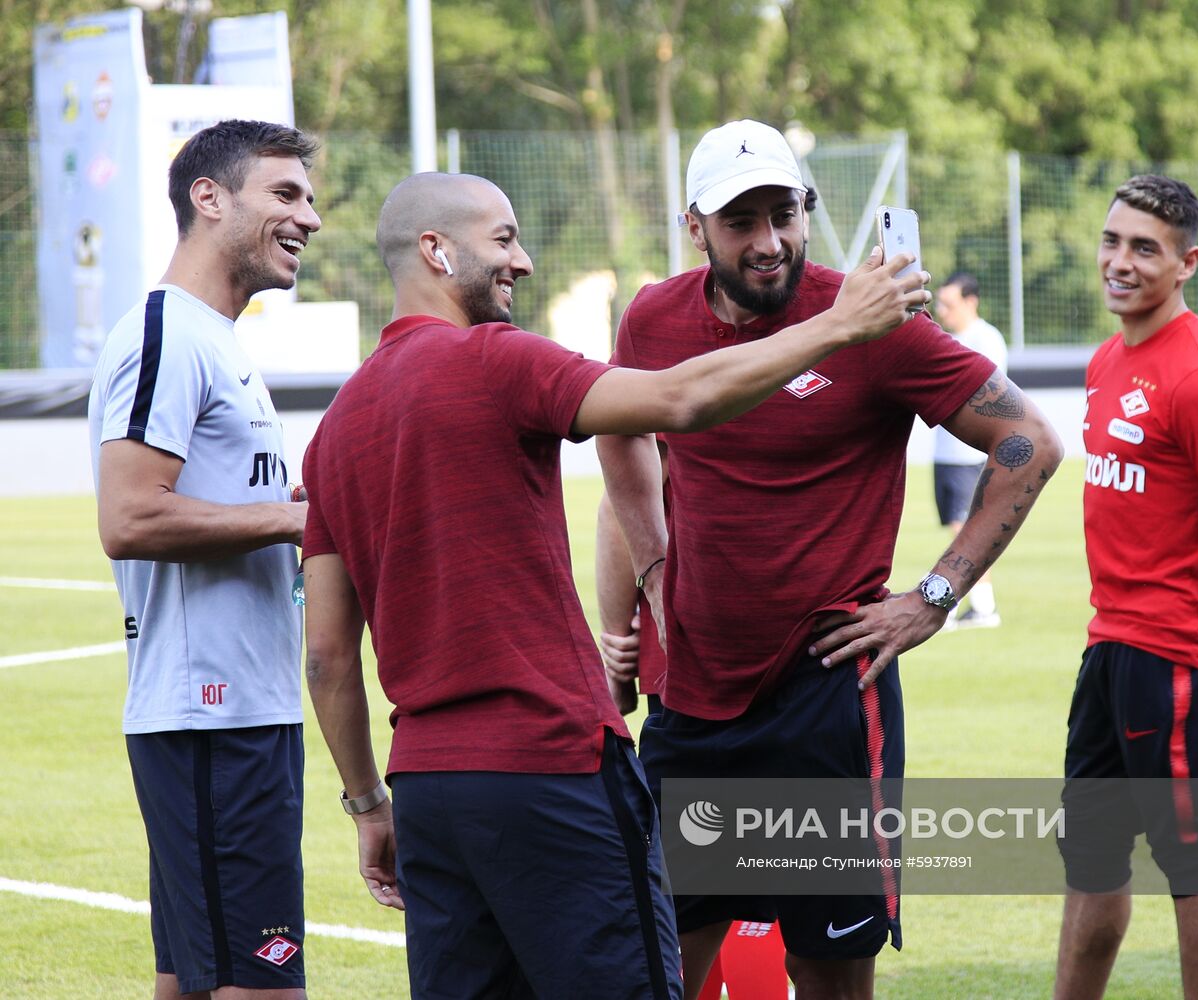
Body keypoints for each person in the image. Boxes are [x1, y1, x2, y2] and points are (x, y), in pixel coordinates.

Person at [299, 171, 926, 999]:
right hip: (550, 767)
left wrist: (367, 806)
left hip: (427, 791)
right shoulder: (495, 359)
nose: (521, 260)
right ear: (434, 251)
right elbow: (677, 398)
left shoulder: (335, 427)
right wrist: (840, 325)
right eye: (503, 239)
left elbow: (327, 659)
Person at [596, 119, 1064, 999]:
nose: (767, 242)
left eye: (785, 213)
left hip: (827, 701)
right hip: (695, 698)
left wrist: (932, 596)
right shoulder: (654, 319)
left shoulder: (872, 321)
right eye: (741, 221)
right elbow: (621, 440)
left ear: (808, 210)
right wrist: (646, 580)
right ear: (694, 226)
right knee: (658, 963)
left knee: (829, 971)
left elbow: (1028, 444)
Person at [87, 119, 320, 1000]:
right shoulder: (168, 332)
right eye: (286, 193)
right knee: (261, 987)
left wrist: (285, 514)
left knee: (190, 981)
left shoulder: (217, 337)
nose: (311, 216)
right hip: (210, 716)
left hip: (239, 711)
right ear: (209, 197)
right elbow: (130, 516)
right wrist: (294, 522)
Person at [1053, 175, 1198, 1000]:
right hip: (1108, 646)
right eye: (1111, 240)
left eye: (1143, 248)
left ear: (1185, 263)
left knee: (1193, 862)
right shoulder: (1107, 358)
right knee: (1087, 859)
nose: (1119, 261)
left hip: (1178, 657)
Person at [931, 271, 1010, 629]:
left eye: (949, 303)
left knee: (968, 531)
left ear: (970, 301)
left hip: (970, 455)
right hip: (947, 453)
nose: (943, 311)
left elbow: (988, 393)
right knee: (957, 527)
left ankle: (982, 606)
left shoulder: (985, 339)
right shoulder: (950, 338)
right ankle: (974, 604)